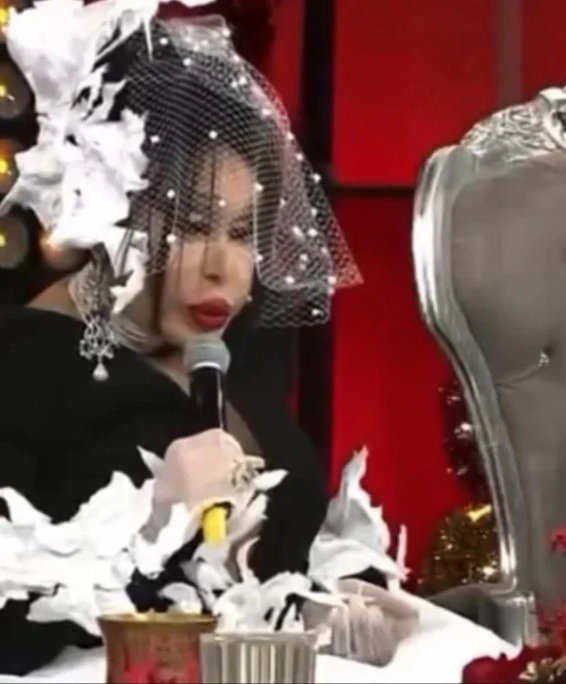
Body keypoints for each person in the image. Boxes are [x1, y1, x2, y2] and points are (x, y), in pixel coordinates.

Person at [0, 4, 363, 675]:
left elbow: (275, 563)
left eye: (243, 233)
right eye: (192, 226)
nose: (224, 268)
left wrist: (334, 598)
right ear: (107, 213)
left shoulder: (230, 356)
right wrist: (153, 523)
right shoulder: (18, 364)